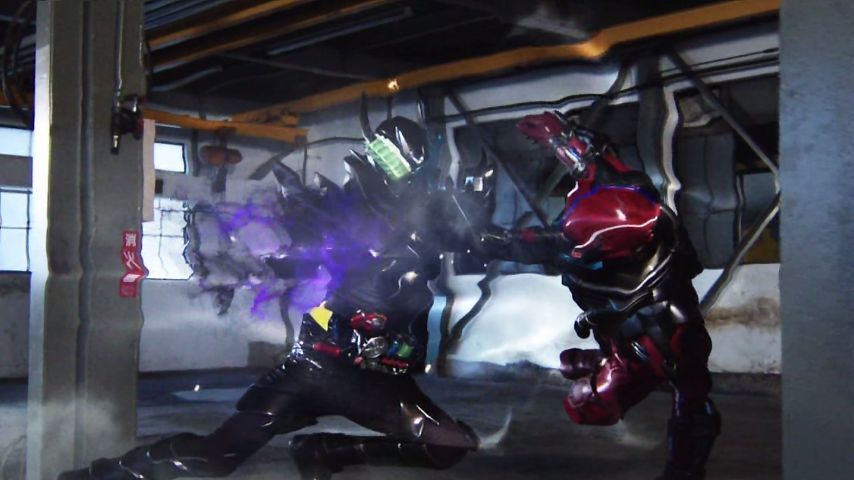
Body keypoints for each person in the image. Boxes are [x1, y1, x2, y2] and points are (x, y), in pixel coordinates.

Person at [59, 106, 478, 480]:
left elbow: (467, 242)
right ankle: (101, 475)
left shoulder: (425, 223)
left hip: (379, 380)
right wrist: (287, 245)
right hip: (317, 368)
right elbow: (305, 269)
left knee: (448, 445)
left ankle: (325, 451)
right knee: (216, 457)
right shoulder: (342, 212)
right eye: (389, 157)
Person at [472, 111, 720, 480]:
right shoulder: (611, 196)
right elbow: (591, 177)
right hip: (623, 332)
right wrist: (563, 139)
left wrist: (510, 240)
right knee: (583, 388)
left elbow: (576, 234)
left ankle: (684, 471)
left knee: (677, 394)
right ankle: (611, 363)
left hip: (657, 329)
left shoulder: (628, 212)